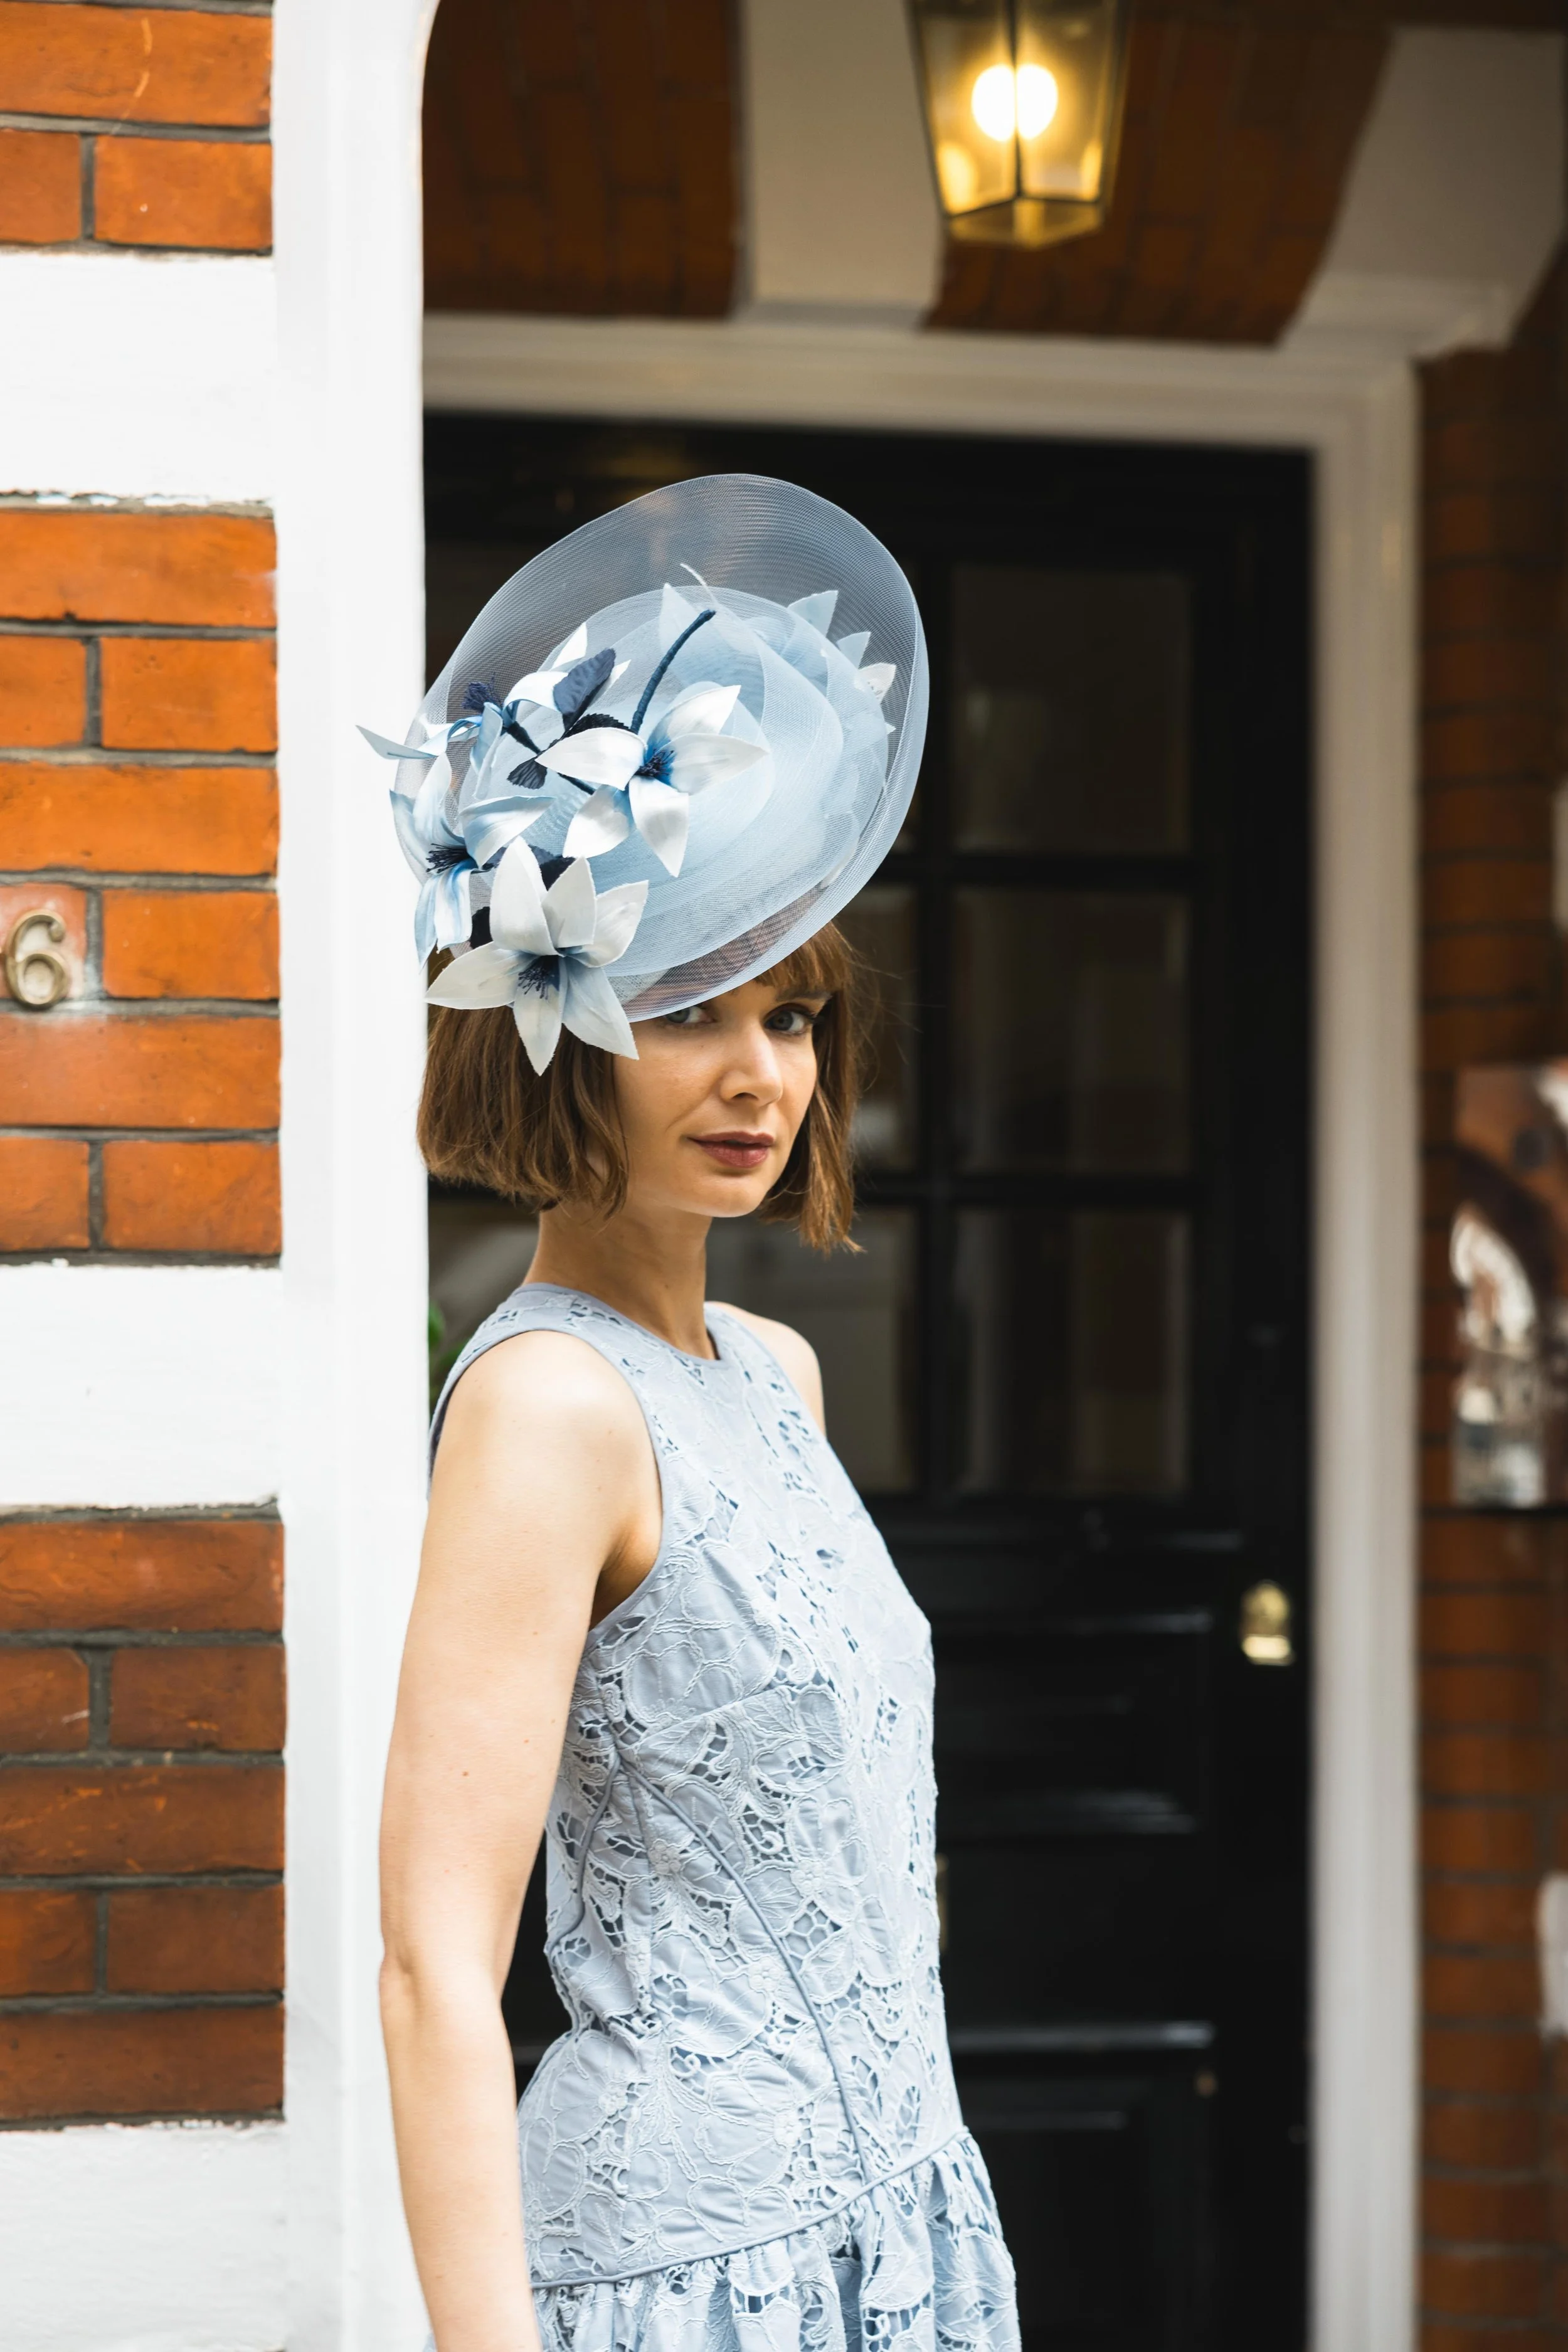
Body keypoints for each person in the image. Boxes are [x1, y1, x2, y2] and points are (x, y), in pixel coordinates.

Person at [371, 477, 1019, 2352]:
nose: (760, 1077)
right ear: (556, 1020)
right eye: (689, 1011)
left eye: (792, 1017)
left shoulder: (776, 1373)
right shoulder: (548, 1409)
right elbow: (434, 1967)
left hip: (896, 2221)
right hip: (683, 2276)